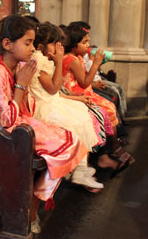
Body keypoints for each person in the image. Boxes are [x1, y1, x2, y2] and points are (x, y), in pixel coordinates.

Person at [0, 15, 88, 234]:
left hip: (20, 124)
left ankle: (32, 201)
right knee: (64, 149)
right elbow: (6, 120)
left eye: (32, 43)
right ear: (8, 44)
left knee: (74, 142)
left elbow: (24, 108)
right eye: (27, 43)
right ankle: (30, 206)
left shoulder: (18, 65)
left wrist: (23, 84)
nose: (32, 48)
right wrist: (21, 84)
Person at [30, 23, 104, 191]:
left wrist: (74, 98)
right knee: (74, 124)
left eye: (60, 44)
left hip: (53, 102)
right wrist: (57, 61)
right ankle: (78, 170)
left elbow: (54, 93)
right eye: (55, 44)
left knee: (84, 117)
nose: (59, 47)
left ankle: (80, 169)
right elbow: (53, 88)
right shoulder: (39, 63)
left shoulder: (46, 60)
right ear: (41, 47)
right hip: (43, 109)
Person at [62, 21, 134, 174]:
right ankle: (110, 151)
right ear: (74, 45)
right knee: (105, 110)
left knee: (110, 105)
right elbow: (84, 82)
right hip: (78, 95)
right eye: (84, 42)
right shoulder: (71, 60)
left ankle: (111, 149)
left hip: (85, 92)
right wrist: (95, 64)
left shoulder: (77, 58)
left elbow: (84, 80)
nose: (88, 46)